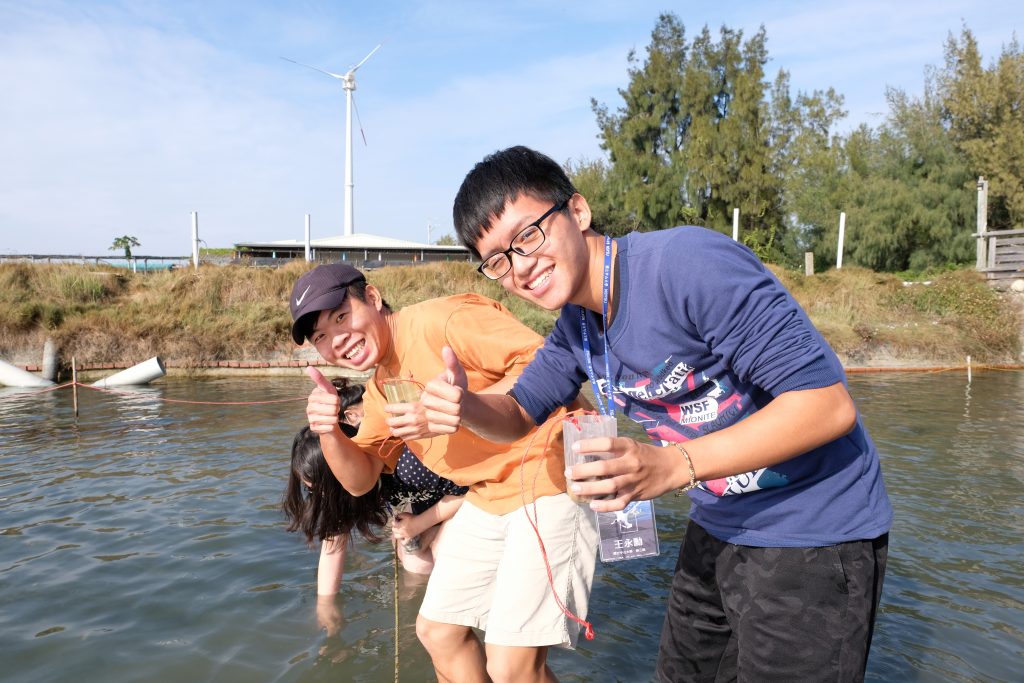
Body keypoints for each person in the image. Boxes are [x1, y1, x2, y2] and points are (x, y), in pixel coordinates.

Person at [418, 145, 893, 682]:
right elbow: (518, 413)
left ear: (577, 211)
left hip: (814, 528)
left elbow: (826, 405)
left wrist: (670, 466)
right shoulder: (577, 327)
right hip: (718, 524)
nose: (520, 267)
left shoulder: (686, 265)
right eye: (498, 261)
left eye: (528, 235)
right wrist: (466, 406)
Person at [288, 263, 598, 683]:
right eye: (321, 337)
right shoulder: (381, 385)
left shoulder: (442, 321)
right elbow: (360, 480)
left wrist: (462, 405)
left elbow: (548, 364)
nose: (337, 340)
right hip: (489, 495)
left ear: (374, 299)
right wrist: (328, 431)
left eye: (342, 317)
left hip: (551, 474)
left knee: (512, 666)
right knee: (438, 632)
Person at [283, 377, 467, 598]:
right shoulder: (344, 492)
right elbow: (332, 548)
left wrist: (420, 524)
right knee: (416, 563)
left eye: (322, 490)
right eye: (311, 490)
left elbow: (471, 491)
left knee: (443, 553)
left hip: (468, 498)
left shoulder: (406, 462)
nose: (319, 497)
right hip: (430, 509)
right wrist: (326, 609)